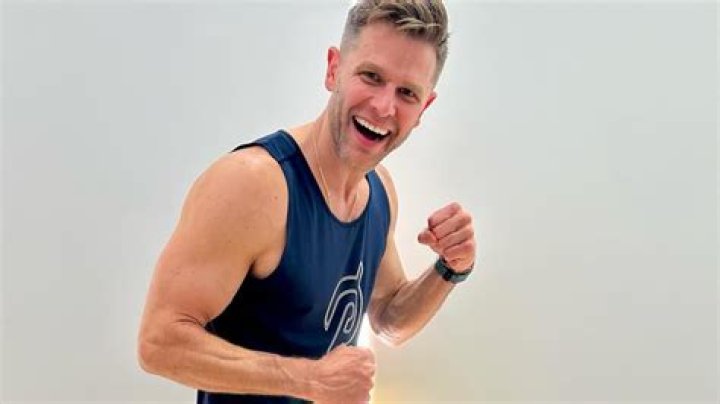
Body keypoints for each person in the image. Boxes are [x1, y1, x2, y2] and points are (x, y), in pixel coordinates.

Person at [138, 1, 476, 402]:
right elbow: (159, 341)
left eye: (407, 93)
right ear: (334, 69)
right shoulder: (253, 184)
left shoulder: (380, 191)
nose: (384, 106)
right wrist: (308, 379)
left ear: (423, 109)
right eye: (371, 76)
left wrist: (449, 269)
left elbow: (388, 320)